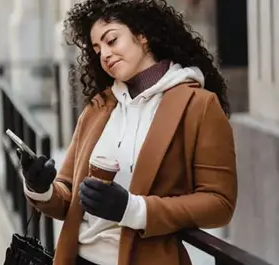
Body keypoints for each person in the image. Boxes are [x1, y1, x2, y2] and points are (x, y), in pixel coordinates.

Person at [19, 0, 237, 265]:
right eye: (97, 49)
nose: (104, 55)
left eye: (112, 41)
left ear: (142, 36)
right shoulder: (99, 107)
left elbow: (219, 204)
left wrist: (134, 210)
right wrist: (40, 187)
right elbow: (68, 199)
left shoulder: (199, 106)